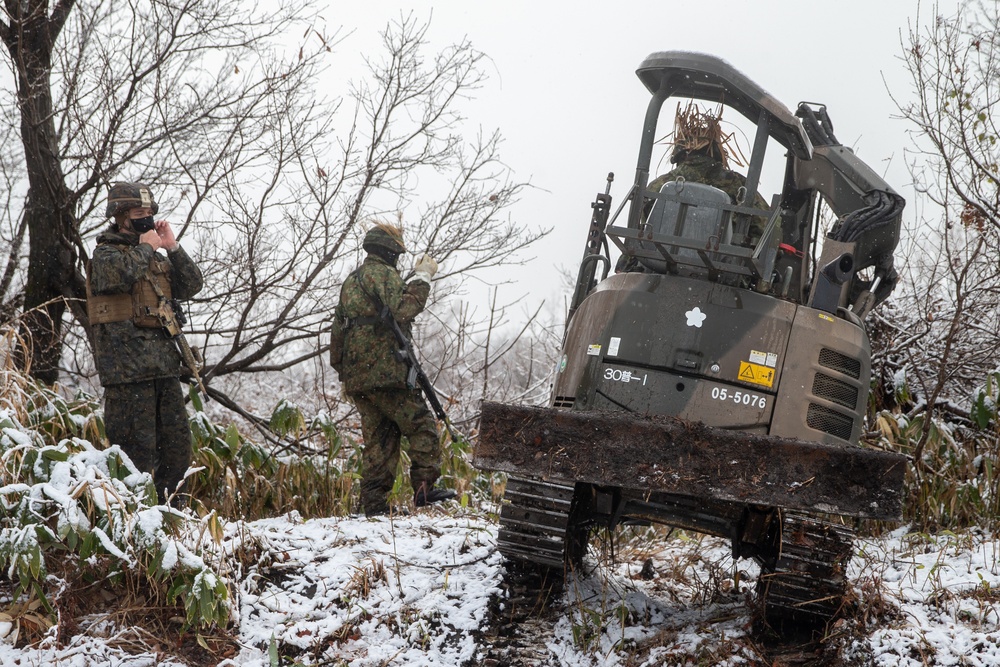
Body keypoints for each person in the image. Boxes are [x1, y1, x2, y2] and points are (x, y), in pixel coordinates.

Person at [87, 182, 204, 506]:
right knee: (135, 457)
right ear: (121, 216)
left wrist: (172, 247)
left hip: (164, 369)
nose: (147, 219)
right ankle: (132, 525)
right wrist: (147, 248)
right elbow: (114, 278)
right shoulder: (106, 254)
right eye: (140, 214)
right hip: (128, 374)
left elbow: (192, 285)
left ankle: (171, 519)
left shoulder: (153, 256)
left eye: (150, 213)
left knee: (177, 450)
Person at [335, 223, 455, 517]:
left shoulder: (351, 281)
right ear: (391, 253)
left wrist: (345, 372)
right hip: (386, 373)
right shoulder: (383, 274)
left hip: (358, 378)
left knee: (380, 439)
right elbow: (403, 309)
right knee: (422, 424)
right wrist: (423, 278)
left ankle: (374, 505)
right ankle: (424, 490)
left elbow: (338, 330)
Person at [618, 102, 776, 273]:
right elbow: (767, 229)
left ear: (681, 154)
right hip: (721, 273)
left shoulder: (661, 184)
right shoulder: (738, 185)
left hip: (657, 269)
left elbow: (644, 224)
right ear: (716, 153)